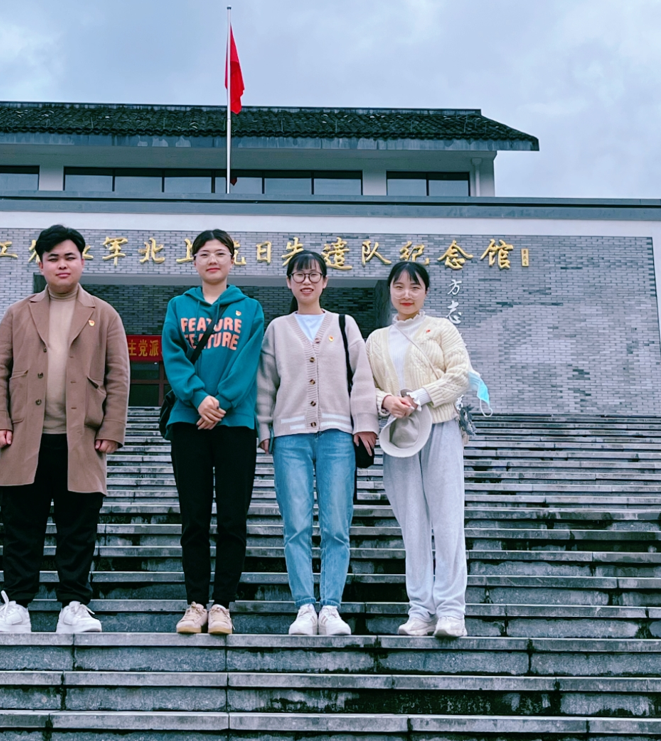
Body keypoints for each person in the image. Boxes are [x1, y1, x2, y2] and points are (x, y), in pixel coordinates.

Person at [0, 225, 129, 634]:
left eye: (69, 257)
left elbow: (118, 376)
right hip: (24, 436)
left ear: (82, 261)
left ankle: (74, 606)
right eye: (53, 258)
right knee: (20, 526)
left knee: (77, 527)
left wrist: (112, 426)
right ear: (41, 264)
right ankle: (16, 606)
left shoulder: (104, 313)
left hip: (82, 438)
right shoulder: (18, 312)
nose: (62, 265)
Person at [256, 251, 378, 636]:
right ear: (288, 282)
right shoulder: (277, 328)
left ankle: (331, 608)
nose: (306, 281)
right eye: (299, 275)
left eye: (313, 275)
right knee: (295, 524)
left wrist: (365, 423)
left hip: (338, 435)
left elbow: (363, 378)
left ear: (325, 281)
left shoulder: (344, 324)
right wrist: (263, 427)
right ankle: (305, 607)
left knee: (336, 525)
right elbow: (265, 381)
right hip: (289, 436)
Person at [162, 229, 264, 636]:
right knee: (194, 518)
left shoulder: (250, 308)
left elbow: (248, 360)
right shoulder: (178, 306)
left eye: (220, 253)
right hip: (189, 422)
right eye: (204, 254)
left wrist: (220, 402)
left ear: (232, 261)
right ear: (194, 262)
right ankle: (195, 604)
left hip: (235, 423)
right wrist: (198, 397)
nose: (212, 260)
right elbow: (173, 355)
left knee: (233, 518)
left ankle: (222, 604)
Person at [366, 261, 471, 638]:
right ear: (390, 291)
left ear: (425, 291)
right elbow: (362, 387)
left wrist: (421, 396)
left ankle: (451, 611)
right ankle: (420, 610)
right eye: (399, 286)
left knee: (447, 520)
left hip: (440, 427)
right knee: (412, 524)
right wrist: (385, 401)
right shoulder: (376, 339)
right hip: (401, 437)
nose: (406, 294)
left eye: (414, 287)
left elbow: (461, 375)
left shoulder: (442, 329)